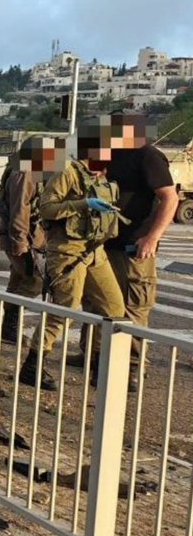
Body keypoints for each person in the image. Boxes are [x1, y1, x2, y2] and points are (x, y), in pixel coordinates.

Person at [21, 117, 126, 391]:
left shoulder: (100, 175)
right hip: (68, 251)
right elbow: (46, 209)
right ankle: (33, 365)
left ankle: (99, 369)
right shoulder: (67, 171)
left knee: (114, 308)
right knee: (64, 311)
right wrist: (83, 204)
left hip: (95, 250)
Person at [102, 110, 178, 372]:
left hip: (135, 245)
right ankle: (95, 357)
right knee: (99, 302)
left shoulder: (148, 156)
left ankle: (132, 366)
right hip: (106, 242)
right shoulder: (110, 154)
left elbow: (170, 197)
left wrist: (152, 238)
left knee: (133, 307)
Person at [0, 137, 56, 342]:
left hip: (24, 236)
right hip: (24, 237)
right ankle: (11, 328)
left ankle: (8, 330)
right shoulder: (26, 173)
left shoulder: (24, 170)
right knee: (35, 281)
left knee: (18, 280)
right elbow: (20, 209)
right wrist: (20, 241)